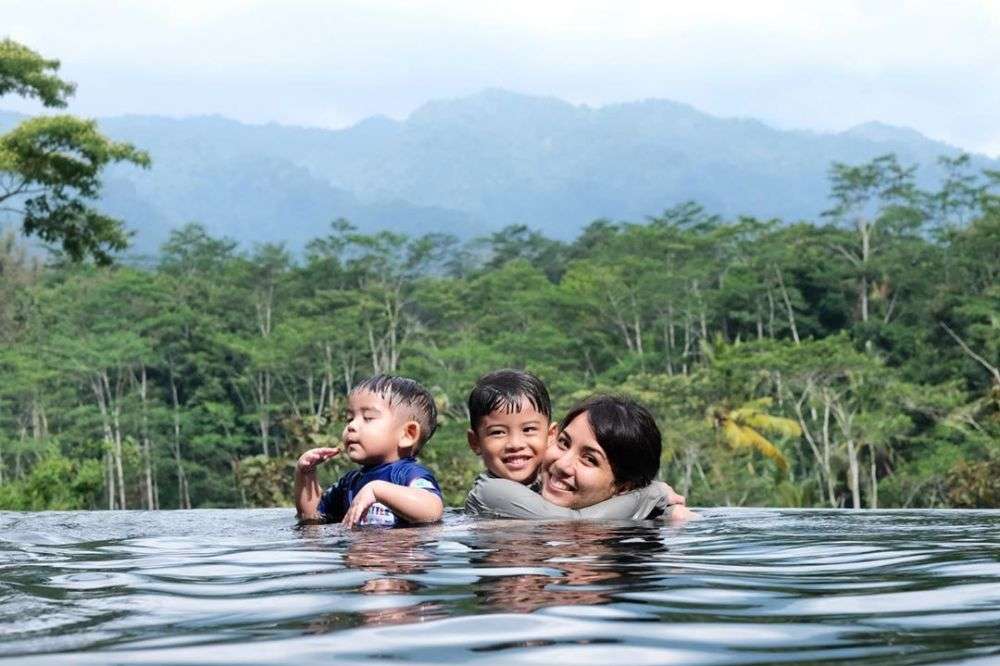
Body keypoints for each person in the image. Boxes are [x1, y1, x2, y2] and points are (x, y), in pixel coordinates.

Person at [463, 370, 685, 519]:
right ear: (475, 442)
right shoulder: (492, 491)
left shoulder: (537, 485)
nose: (562, 465)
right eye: (564, 443)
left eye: (589, 459)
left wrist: (666, 509)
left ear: (623, 487)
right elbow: (573, 524)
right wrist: (651, 493)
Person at [294, 374, 444, 527]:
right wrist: (306, 474)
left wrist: (377, 490)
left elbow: (432, 510)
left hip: (401, 550)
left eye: (368, 418)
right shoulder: (350, 482)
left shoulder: (407, 474)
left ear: (408, 434)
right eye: (349, 418)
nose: (351, 426)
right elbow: (312, 516)